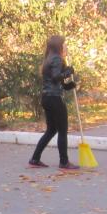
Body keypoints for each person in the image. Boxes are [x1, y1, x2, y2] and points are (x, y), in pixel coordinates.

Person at [28, 35, 79, 170]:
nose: (66, 47)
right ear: (59, 46)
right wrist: (68, 71)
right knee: (62, 130)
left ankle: (35, 158)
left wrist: (69, 85)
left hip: (47, 98)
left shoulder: (49, 59)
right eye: (65, 44)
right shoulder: (57, 59)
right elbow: (57, 77)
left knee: (51, 130)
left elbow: (57, 81)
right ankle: (64, 162)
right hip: (55, 99)